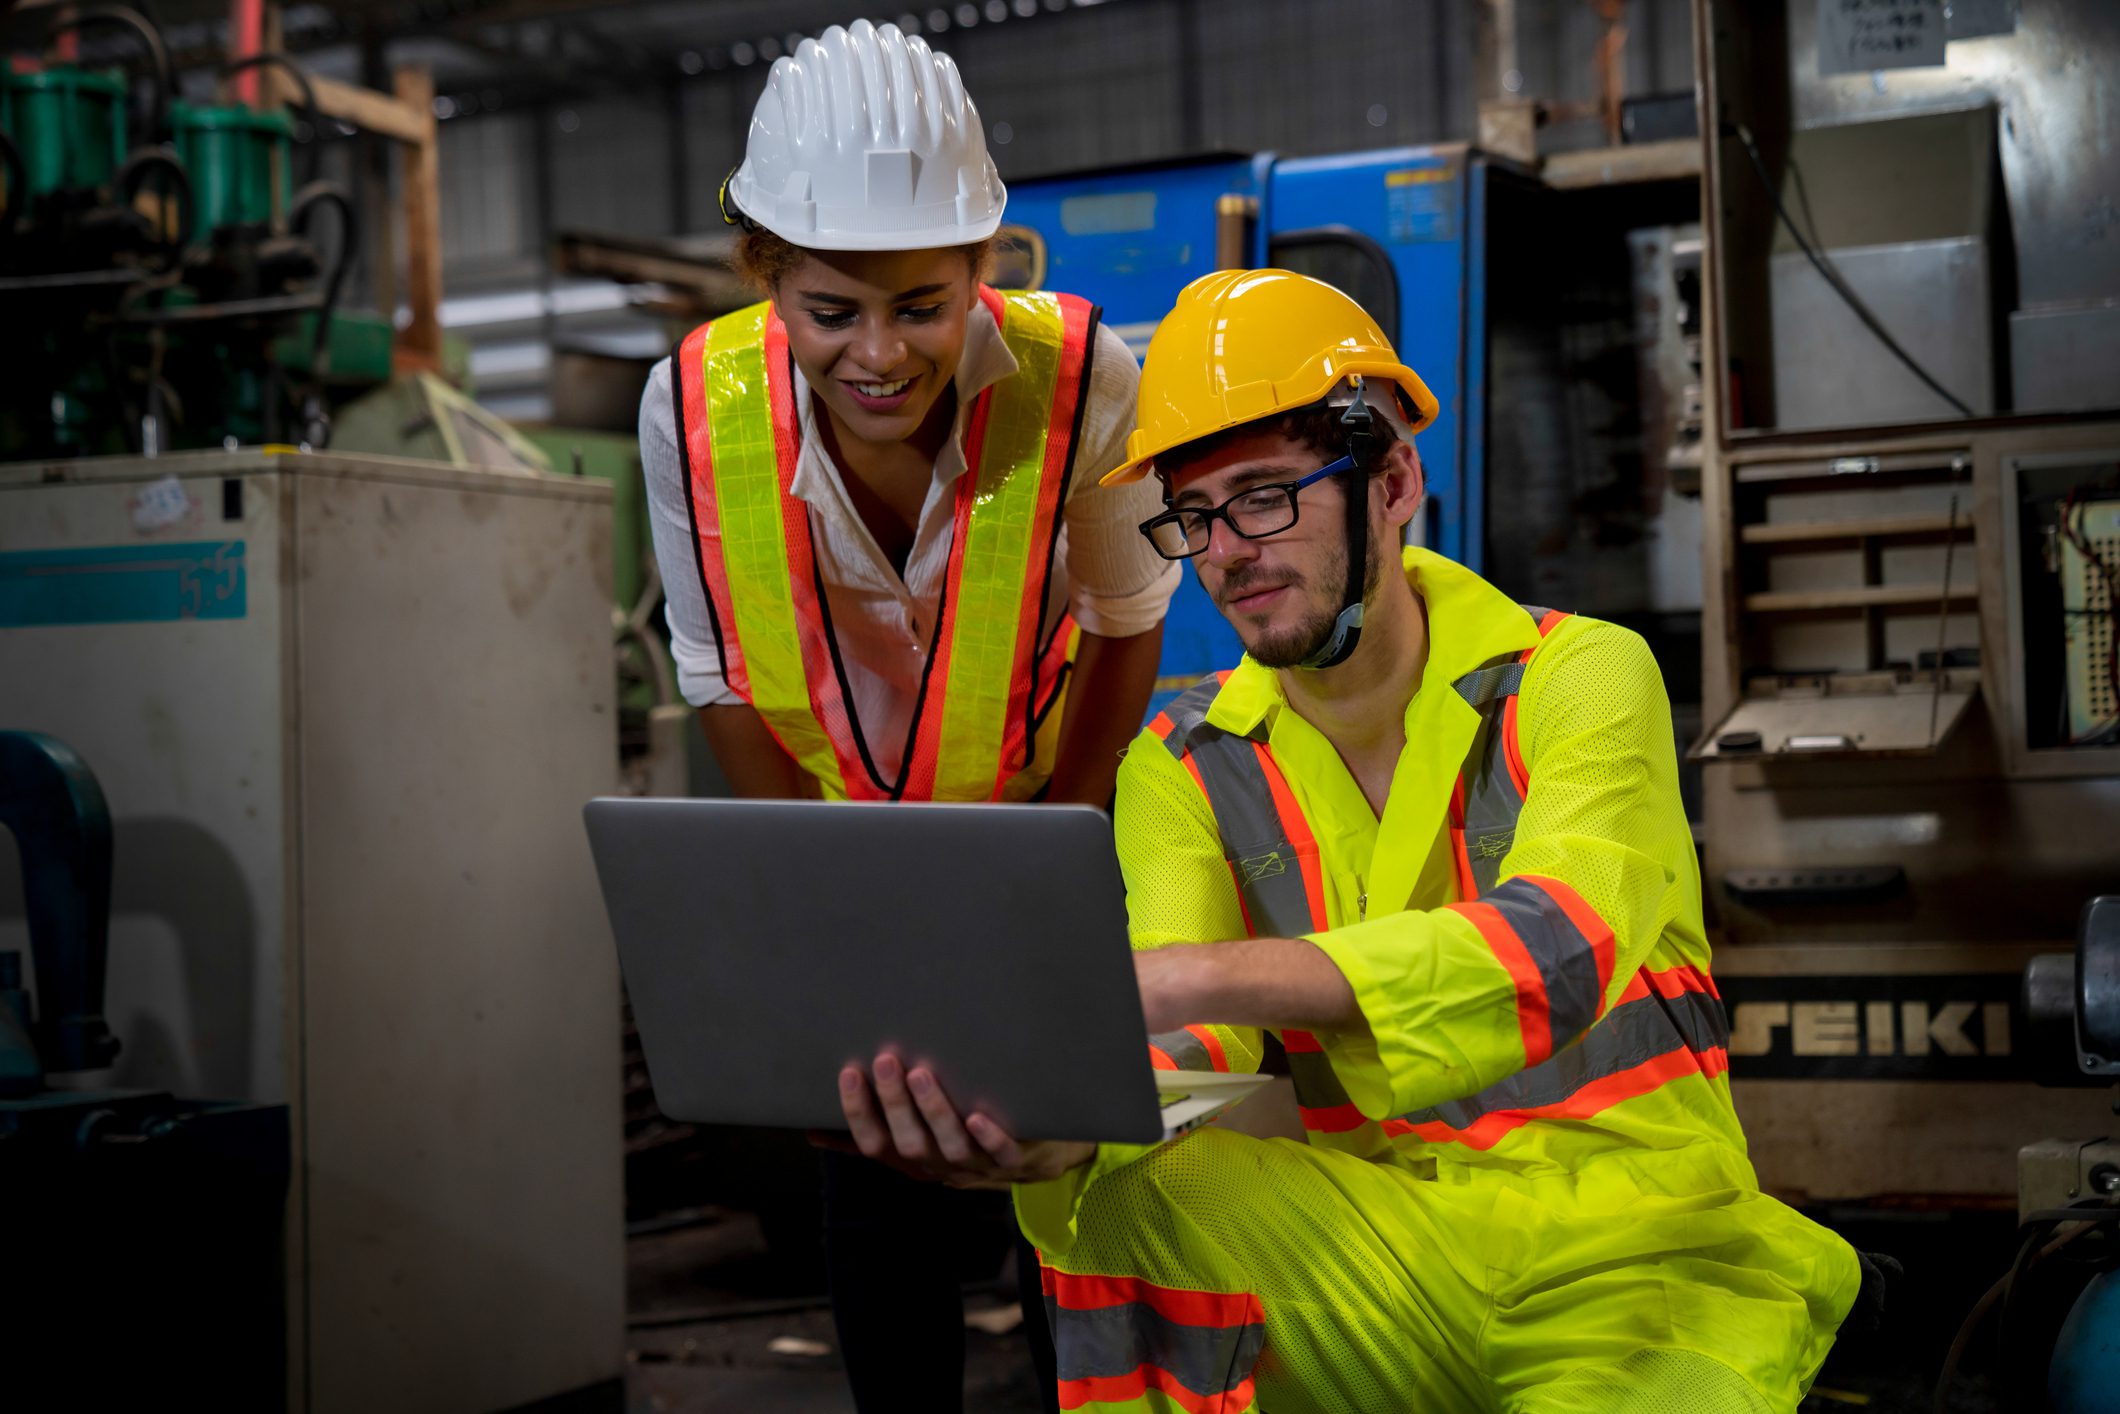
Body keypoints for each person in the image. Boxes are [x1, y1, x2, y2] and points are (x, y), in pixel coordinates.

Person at [832, 269, 1864, 1413]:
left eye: (1267, 495)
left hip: (1645, 1255)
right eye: (1195, 514)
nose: (1226, 550)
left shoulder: (1574, 676)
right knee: (1120, 1184)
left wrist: (1176, 977)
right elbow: (1196, 1051)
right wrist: (1052, 1134)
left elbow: (1557, 948)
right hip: (1386, 1251)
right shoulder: (1181, 763)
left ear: (1393, 482)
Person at [637, 21, 1177, 1412]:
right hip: (831, 831)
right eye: (832, 311)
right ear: (766, 276)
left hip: (1046, 816)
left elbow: (1127, 629)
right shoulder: (691, 408)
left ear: (981, 268)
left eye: (923, 305)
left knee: (1064, 1183)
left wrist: (1053, 858)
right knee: (873, 1166)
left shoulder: (1087, 380)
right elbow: (722, 680)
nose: (880, 354)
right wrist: (832, 897)